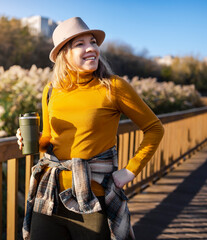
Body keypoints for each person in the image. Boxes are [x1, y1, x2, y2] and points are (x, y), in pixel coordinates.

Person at [16, 17, 164, 240]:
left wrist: (131, 170)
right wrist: (33, 140)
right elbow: (49, 138)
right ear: (64, 53)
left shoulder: (113, 87)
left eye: (93, 42)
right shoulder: (51, 90)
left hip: (93, 199)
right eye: (80, 44)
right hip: (49, 196)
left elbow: (154, 128)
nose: (91, 48)